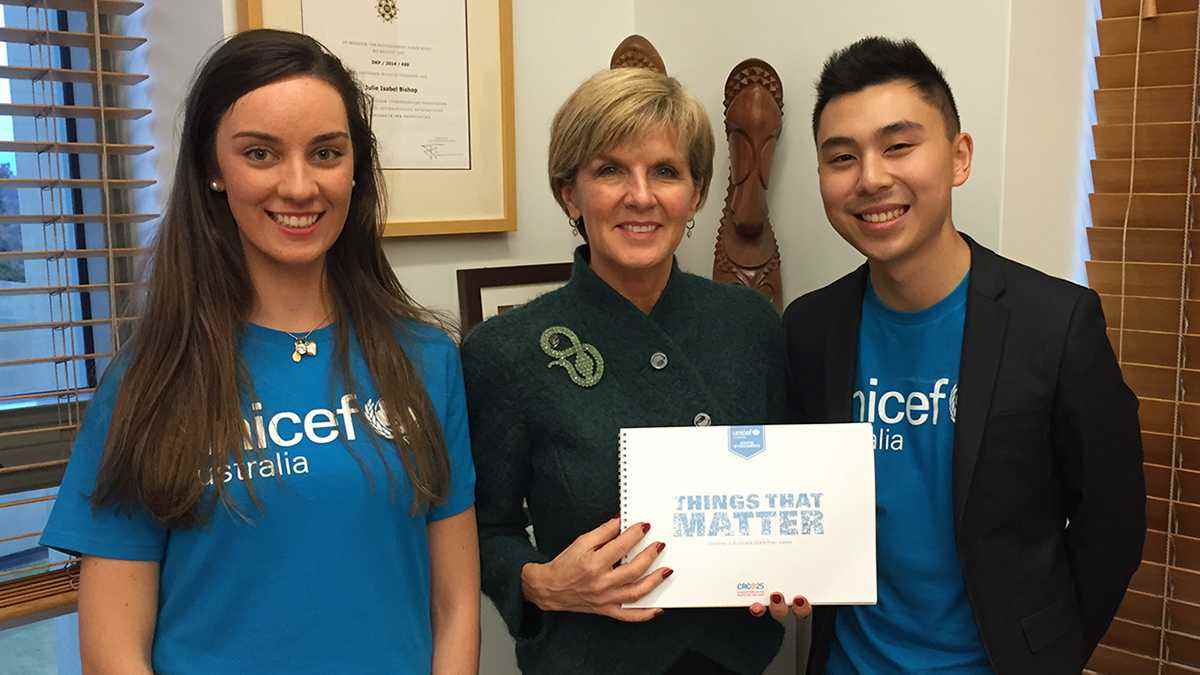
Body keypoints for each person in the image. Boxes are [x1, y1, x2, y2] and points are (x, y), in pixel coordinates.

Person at [38, 29, 479, 674]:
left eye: (326, 152)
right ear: (215, 169)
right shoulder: (152, 377)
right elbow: (113, 647)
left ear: (356, 169)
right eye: (261, 154)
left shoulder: (427, 358)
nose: (299, 187)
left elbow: (456, 603)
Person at [783, 37, 1146, 674]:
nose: (871, 178)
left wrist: (1047, 653)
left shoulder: (1056, 325)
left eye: (898, 146)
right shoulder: (810, 328)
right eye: (842, 157)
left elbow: (1112, 524)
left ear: (958, 157)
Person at [462, 67, 807, 675]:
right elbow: (482, 528)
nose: (640, 196)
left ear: (696, 193)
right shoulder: (506, 351)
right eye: (610, 169)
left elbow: (784, 488)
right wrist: (539, 583)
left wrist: (796, 562)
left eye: (666, 172)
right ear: (570, 193)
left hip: (736, 660)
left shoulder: (752, 324)